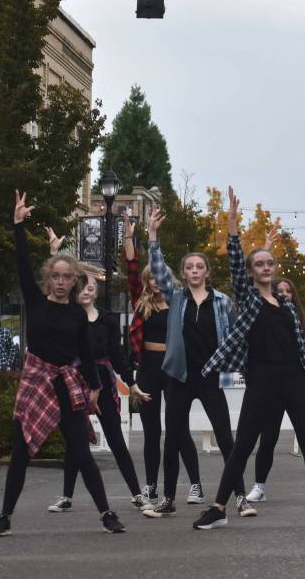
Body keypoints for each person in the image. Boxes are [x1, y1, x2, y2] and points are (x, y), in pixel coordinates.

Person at [191, 188, 305, 529]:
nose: (266, 267)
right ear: (252, 271)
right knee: (243, 444)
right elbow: (234, 262)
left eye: (269, 263)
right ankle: (218, 508)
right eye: (259, 264)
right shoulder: (249, 299)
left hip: (293, 379)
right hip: (261, 378)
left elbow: (303, 349)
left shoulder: (286, 305)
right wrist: (231, 227)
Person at [0, 190, 125, 537]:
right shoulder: (35, 302)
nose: (62, 282)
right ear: (48, 278)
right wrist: (18, 225)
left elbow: (86, 354)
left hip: (67, 383)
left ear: (74, 280)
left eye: (68, 277)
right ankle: (5, 516)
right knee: (21, 451)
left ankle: (107, 513)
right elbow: (21, 263)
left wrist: (94, 387)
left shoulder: (78, 315)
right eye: (57, 276)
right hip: (36, 379)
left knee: (80, 451)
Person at [143, 207, 253, 518]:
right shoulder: (175, 297)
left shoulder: (223, 302)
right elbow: (159, 270)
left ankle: (241, 497)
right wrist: (152, 236)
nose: (193, 270)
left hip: (209, 377)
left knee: (225, 437)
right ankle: (167, 499)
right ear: (184, 272)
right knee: (173, 437)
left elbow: (236, 338)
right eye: (189, 267)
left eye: (199, 266)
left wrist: (241, 367)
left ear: (206, 272)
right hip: (179, 376)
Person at [43, 245, 153, 514]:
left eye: (93, 285)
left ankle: (137, 494)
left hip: (102, 382)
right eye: (84, 284)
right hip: (74, 382)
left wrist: (133, 384)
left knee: (116, 438)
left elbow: (117, 357)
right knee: (75, 441)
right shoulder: (69, 317)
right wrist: (54, 251)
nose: (88, 289)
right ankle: (66, 496)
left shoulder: (107, 319)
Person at [245, 274, 305, 504]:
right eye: (280, 290)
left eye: (288, 291)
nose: (284, 295)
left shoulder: (299, 322)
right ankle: (259, 486)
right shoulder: (263, 313)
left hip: (297, 385)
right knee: (268, 437)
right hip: (271, 387)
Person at [122, 213, 199, 502]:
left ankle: (195, 484)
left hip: (174, 367)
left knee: (179, 428)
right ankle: (151, 485)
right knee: (151, 430)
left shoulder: (179, 299)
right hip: (148, 369)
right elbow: (130, 268)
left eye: (158, 275)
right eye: (150, 277)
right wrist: (129, 238)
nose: (154, 280)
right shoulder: (140, 302)